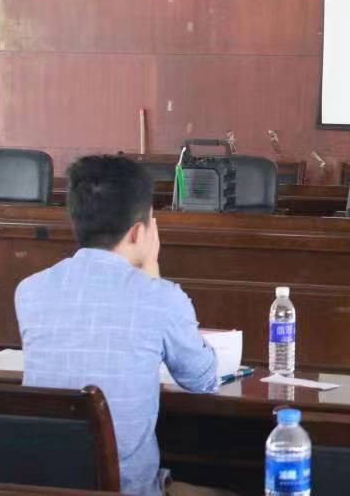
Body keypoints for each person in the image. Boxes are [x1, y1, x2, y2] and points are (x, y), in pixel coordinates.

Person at [15, 156, 219, 496]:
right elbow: (203, 379)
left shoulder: (29, 291)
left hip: (43, 488)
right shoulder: (161, 298)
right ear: (140, 231)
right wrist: (152, 270)